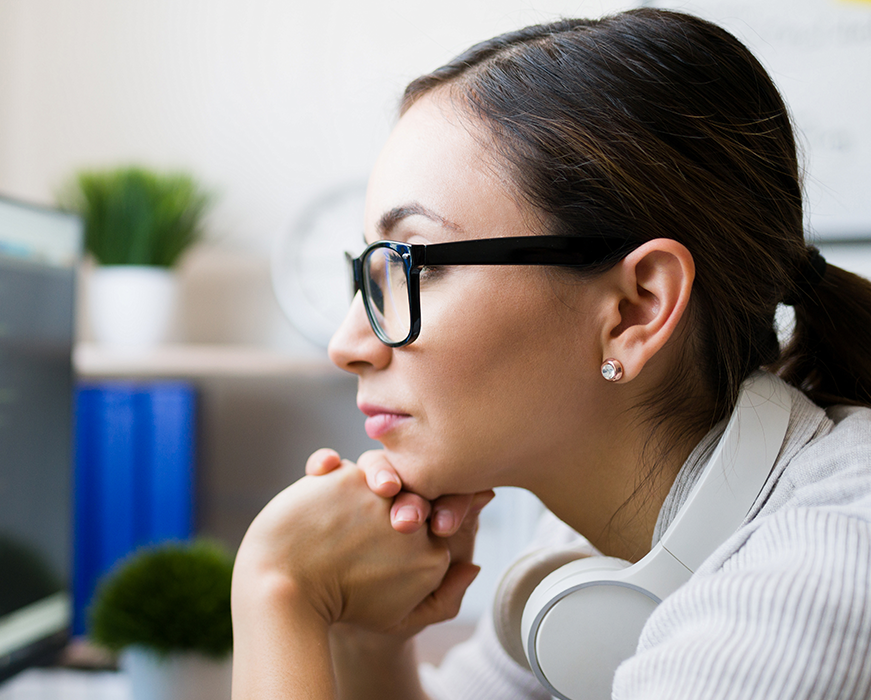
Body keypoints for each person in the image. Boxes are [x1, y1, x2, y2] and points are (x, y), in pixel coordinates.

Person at [230, 8, 871, 700]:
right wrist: (365, 639)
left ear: (636, 308)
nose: (347, 344)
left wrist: (277, 590)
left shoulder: (818, 578)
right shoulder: (586, 532)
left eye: (411, 266)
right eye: (369, 274)